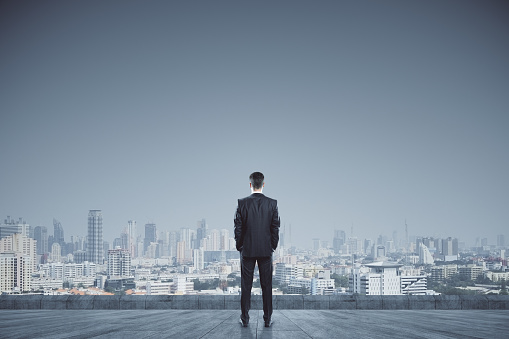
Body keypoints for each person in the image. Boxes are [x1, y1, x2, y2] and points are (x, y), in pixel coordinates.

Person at [234, 171, 280, 328]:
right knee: (266, 286)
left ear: (250, 184)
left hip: (247, 250)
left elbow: (238, 229)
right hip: (266, 250)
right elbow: (275, 228)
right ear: (263, 184)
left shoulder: (242, 203)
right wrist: (272, 246)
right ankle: (267, 319)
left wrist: (240, 246)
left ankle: (245, 319)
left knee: (246, 286)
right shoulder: (272, 203)